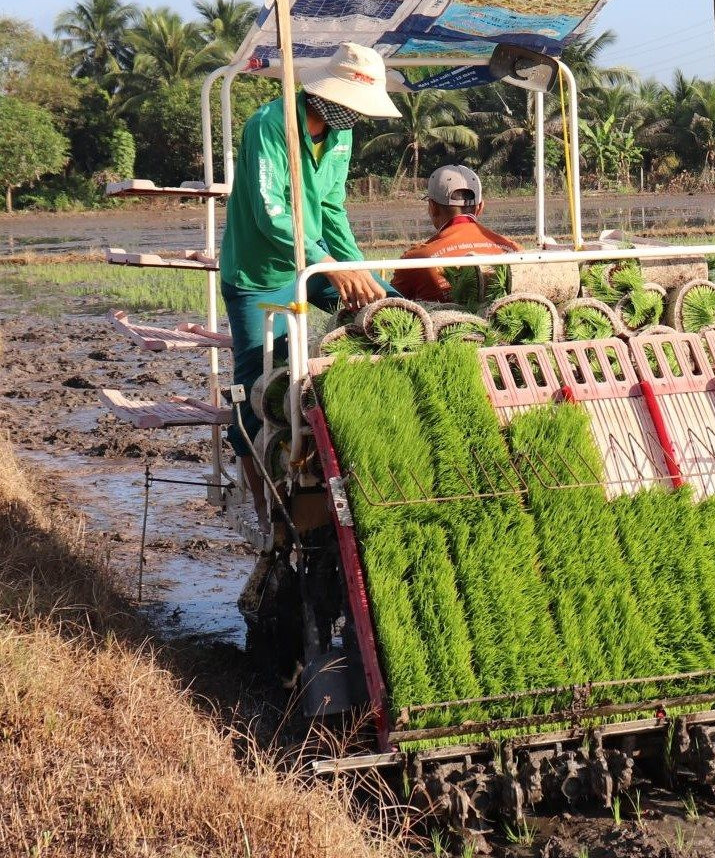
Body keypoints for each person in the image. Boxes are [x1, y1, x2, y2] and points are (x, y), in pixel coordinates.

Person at [219, 41, 395, 527]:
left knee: (391, 313)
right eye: (353, 107)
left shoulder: (341, 134)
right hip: (260, 276)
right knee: (259, 389)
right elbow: (270, 213)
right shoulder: (269, 126)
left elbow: (333, 208)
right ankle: (269, 515)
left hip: (315, 260)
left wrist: (359, 272)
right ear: (325, 95)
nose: (357, 117)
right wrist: (330, 266)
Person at [391, 164, 521, 303]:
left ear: (433, 207)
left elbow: (391, 305)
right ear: (480, 207)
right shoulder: (513, 250)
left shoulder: (417, 260)